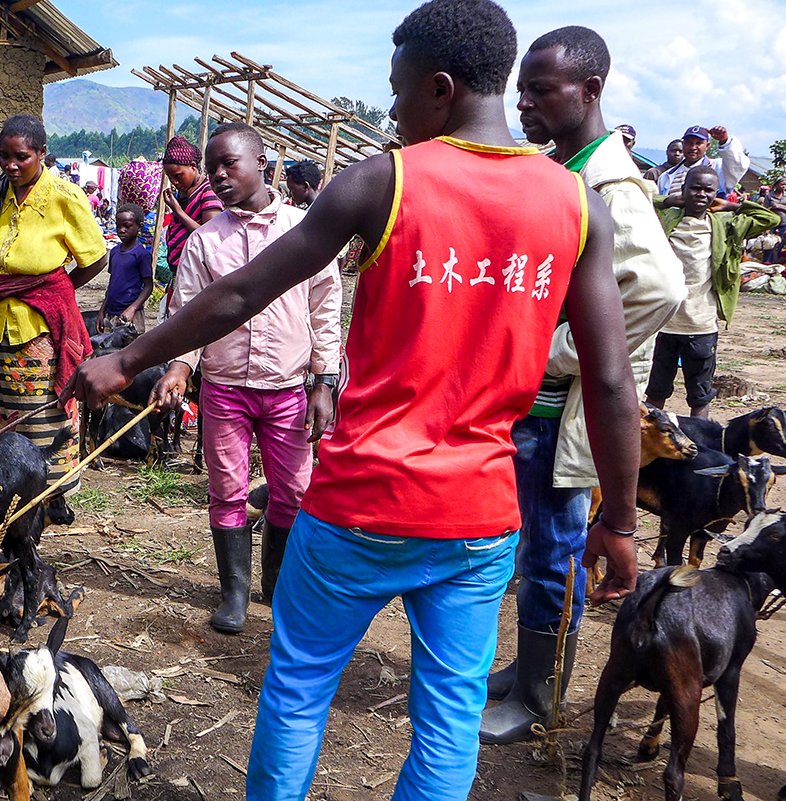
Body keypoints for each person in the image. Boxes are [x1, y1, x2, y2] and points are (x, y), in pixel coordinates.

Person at [70, 1, 641, 798]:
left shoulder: (385, 181)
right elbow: (613, 379)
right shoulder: (577, 206)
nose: (393, 107)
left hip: (359, 505)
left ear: (440, 89)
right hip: (478, 518)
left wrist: (125, 358)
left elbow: (242, 294)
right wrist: (618, 522)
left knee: (300, 688)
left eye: (398, 90)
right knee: (447, 715)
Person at [480, 25, 686, 745]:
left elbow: (658, 287)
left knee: (553, 550)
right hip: (531, 407)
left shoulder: (610, 183)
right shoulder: (566, 166)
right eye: (522, 90)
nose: (525, 104)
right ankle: (526, 668)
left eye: (542, 90)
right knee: (531, 543)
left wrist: (556, 350)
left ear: (590, 90)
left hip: (558, 410)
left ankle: (540, 695)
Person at [153, 122, 341, 634]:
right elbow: (187, 314)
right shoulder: (206, 242)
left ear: (262, 163)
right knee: (228, 489)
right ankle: (233, 593)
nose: (217, 175)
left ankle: (275, 587)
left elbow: (325, 310)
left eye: (228, 163)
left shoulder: (305, 231)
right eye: (212, 166)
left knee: (294, 490)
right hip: (225, 388)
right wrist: (179, 366)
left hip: (287, 389)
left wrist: (325, 380)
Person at [0, 114, 107, 494]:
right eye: (4, 156)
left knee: (44, 414)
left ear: (42, 153)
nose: (10, 165)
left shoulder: (63, 196)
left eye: (21, 157)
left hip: (40, 332)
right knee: (8, 418)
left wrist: (55, 291)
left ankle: (51, 495)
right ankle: (14, 490)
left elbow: (95, 257)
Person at [645, 166, 778, 419]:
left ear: (715, 194)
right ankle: (650, 447)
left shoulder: (725, 224)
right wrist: (669, 200)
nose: (701, 194)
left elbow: (769, 219)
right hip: (664, 323)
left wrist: (731, 206)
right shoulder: (666, 218)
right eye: (695, 188)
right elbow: (641, 201)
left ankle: (700, 445)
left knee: (700, 395)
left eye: (708, 190)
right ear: (684, 190)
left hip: (701, 324)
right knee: (656, 391)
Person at [161, 135, 224, 292]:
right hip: (180, 273)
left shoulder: (208, 191)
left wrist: (178, 211)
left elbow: (209, 236)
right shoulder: (183, 193)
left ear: (193, 166)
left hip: (197, 276)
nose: (174, 182)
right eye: (170, 178)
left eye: (178, 176)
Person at [96, 204, 153, 334]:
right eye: (118, 226)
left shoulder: (141, 254)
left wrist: (132, 309)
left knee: (131, 351)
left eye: (127, 226)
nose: (121, 230)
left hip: (131, 316)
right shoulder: (115, 252)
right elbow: (112, 284)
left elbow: (148, 286)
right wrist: (102, 311)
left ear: (140, 226)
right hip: (111, 314)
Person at [657, 125, 749, 198]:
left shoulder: (718, 167)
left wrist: (724, 141)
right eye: (689, 143)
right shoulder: (666, 176)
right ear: (683, 144)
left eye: (698, 143)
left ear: (707, 146)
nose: (693, 148)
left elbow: (738, 165)